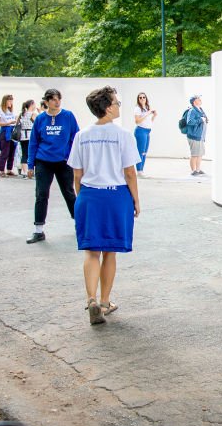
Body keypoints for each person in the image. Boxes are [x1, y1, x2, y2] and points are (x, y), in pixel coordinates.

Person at [67, 86, 141, 325]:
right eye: (117, 102)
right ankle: (105, 302)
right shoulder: (123, 135)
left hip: (89, 195)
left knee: (91, 251)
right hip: (115, 196)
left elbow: (77, 175)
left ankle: (90, 299)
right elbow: (130, 172)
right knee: (110, 251)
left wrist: (82, 198)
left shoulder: (82, 135)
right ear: (108, 107)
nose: (119, 105)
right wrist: (136, 200)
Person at [26, 88, 80, 244]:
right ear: (47, 101)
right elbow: (33, 142)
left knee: (69, 192)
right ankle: (39, 230)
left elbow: (76, 137)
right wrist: (30, 164)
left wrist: (71, 156)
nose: (57, 102)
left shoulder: (68, 116)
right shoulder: (40, 119)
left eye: (59, 99)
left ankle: (80, 224)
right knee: (41, 194)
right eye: (54, 99)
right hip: (43, 161)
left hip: (63, 162)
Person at [183, 95, 208, 176]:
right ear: (194, 102)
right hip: (194, 135)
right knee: (194, 154)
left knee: (200, 154)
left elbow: (204, 119)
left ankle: (198, 169)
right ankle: (193, 171)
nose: (200, 100)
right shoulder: (192, 111)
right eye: (198, 99)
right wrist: (201, 120)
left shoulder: (200, 109)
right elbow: (190, 122)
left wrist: (205, 119)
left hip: (200, 136)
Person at [133, 92, 157, 175]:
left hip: (147, 131)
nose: (142, 99)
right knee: (140, 151)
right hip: (140, 130)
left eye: (144, 97)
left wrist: (154, 116)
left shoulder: (147, 108)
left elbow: (150, 121)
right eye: (140, 97)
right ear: (138, 99)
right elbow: (137, 121)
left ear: (146, 98)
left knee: (145, 152)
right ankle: (139, 170)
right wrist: (148, 113)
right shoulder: (137, 109)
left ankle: (141, 170)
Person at [0, 95, 17, 178]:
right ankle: (1, 171)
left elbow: (14, 119)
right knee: (5, 152)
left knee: (12, 151)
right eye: (9, 101)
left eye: (12, 101)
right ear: (5, 101)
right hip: (5, 131)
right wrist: (9, 123)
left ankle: (9, 170)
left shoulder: (10, 110)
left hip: (12, 131)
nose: (11, 102)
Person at [16, 100, 36, 177]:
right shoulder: (33, 114)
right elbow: (37, 124)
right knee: (31, 153)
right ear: (31, 105)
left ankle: (25, 172)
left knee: (24, 154)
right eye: (34, 104)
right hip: (30, 136)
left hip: (22, 136)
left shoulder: (21, 114)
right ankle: (30, 171)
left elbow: (17, 123)